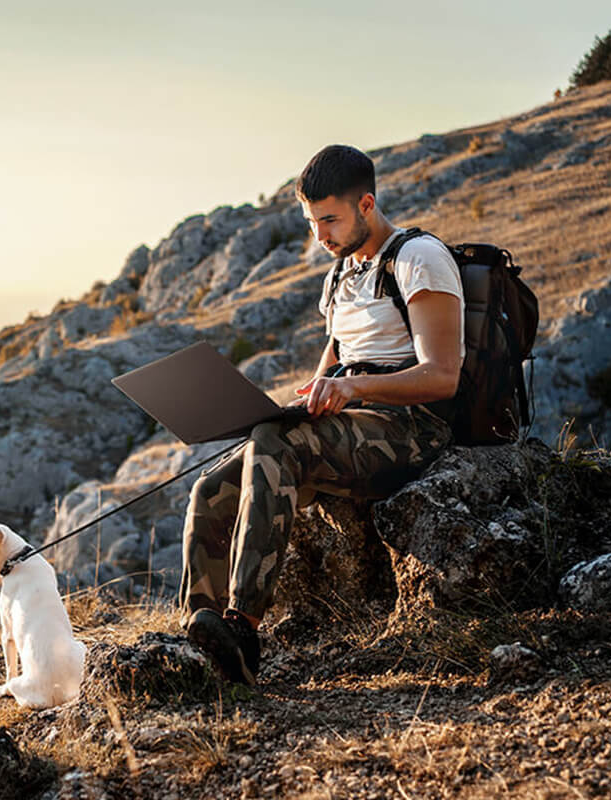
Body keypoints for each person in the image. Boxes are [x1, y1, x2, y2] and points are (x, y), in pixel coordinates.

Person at [179, 144, 464, 685]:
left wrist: (354, 389)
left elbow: (442, 375)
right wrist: (297, 402)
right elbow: (327, 372)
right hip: (353, 425)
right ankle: (199, 631)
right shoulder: (339, 277)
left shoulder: (418, 258)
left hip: (414, 427)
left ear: (367, 204)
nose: (320, 236)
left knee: (275, 444)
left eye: (329, 220)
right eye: (312, 222)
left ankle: (241, 630)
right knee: (211, 487)